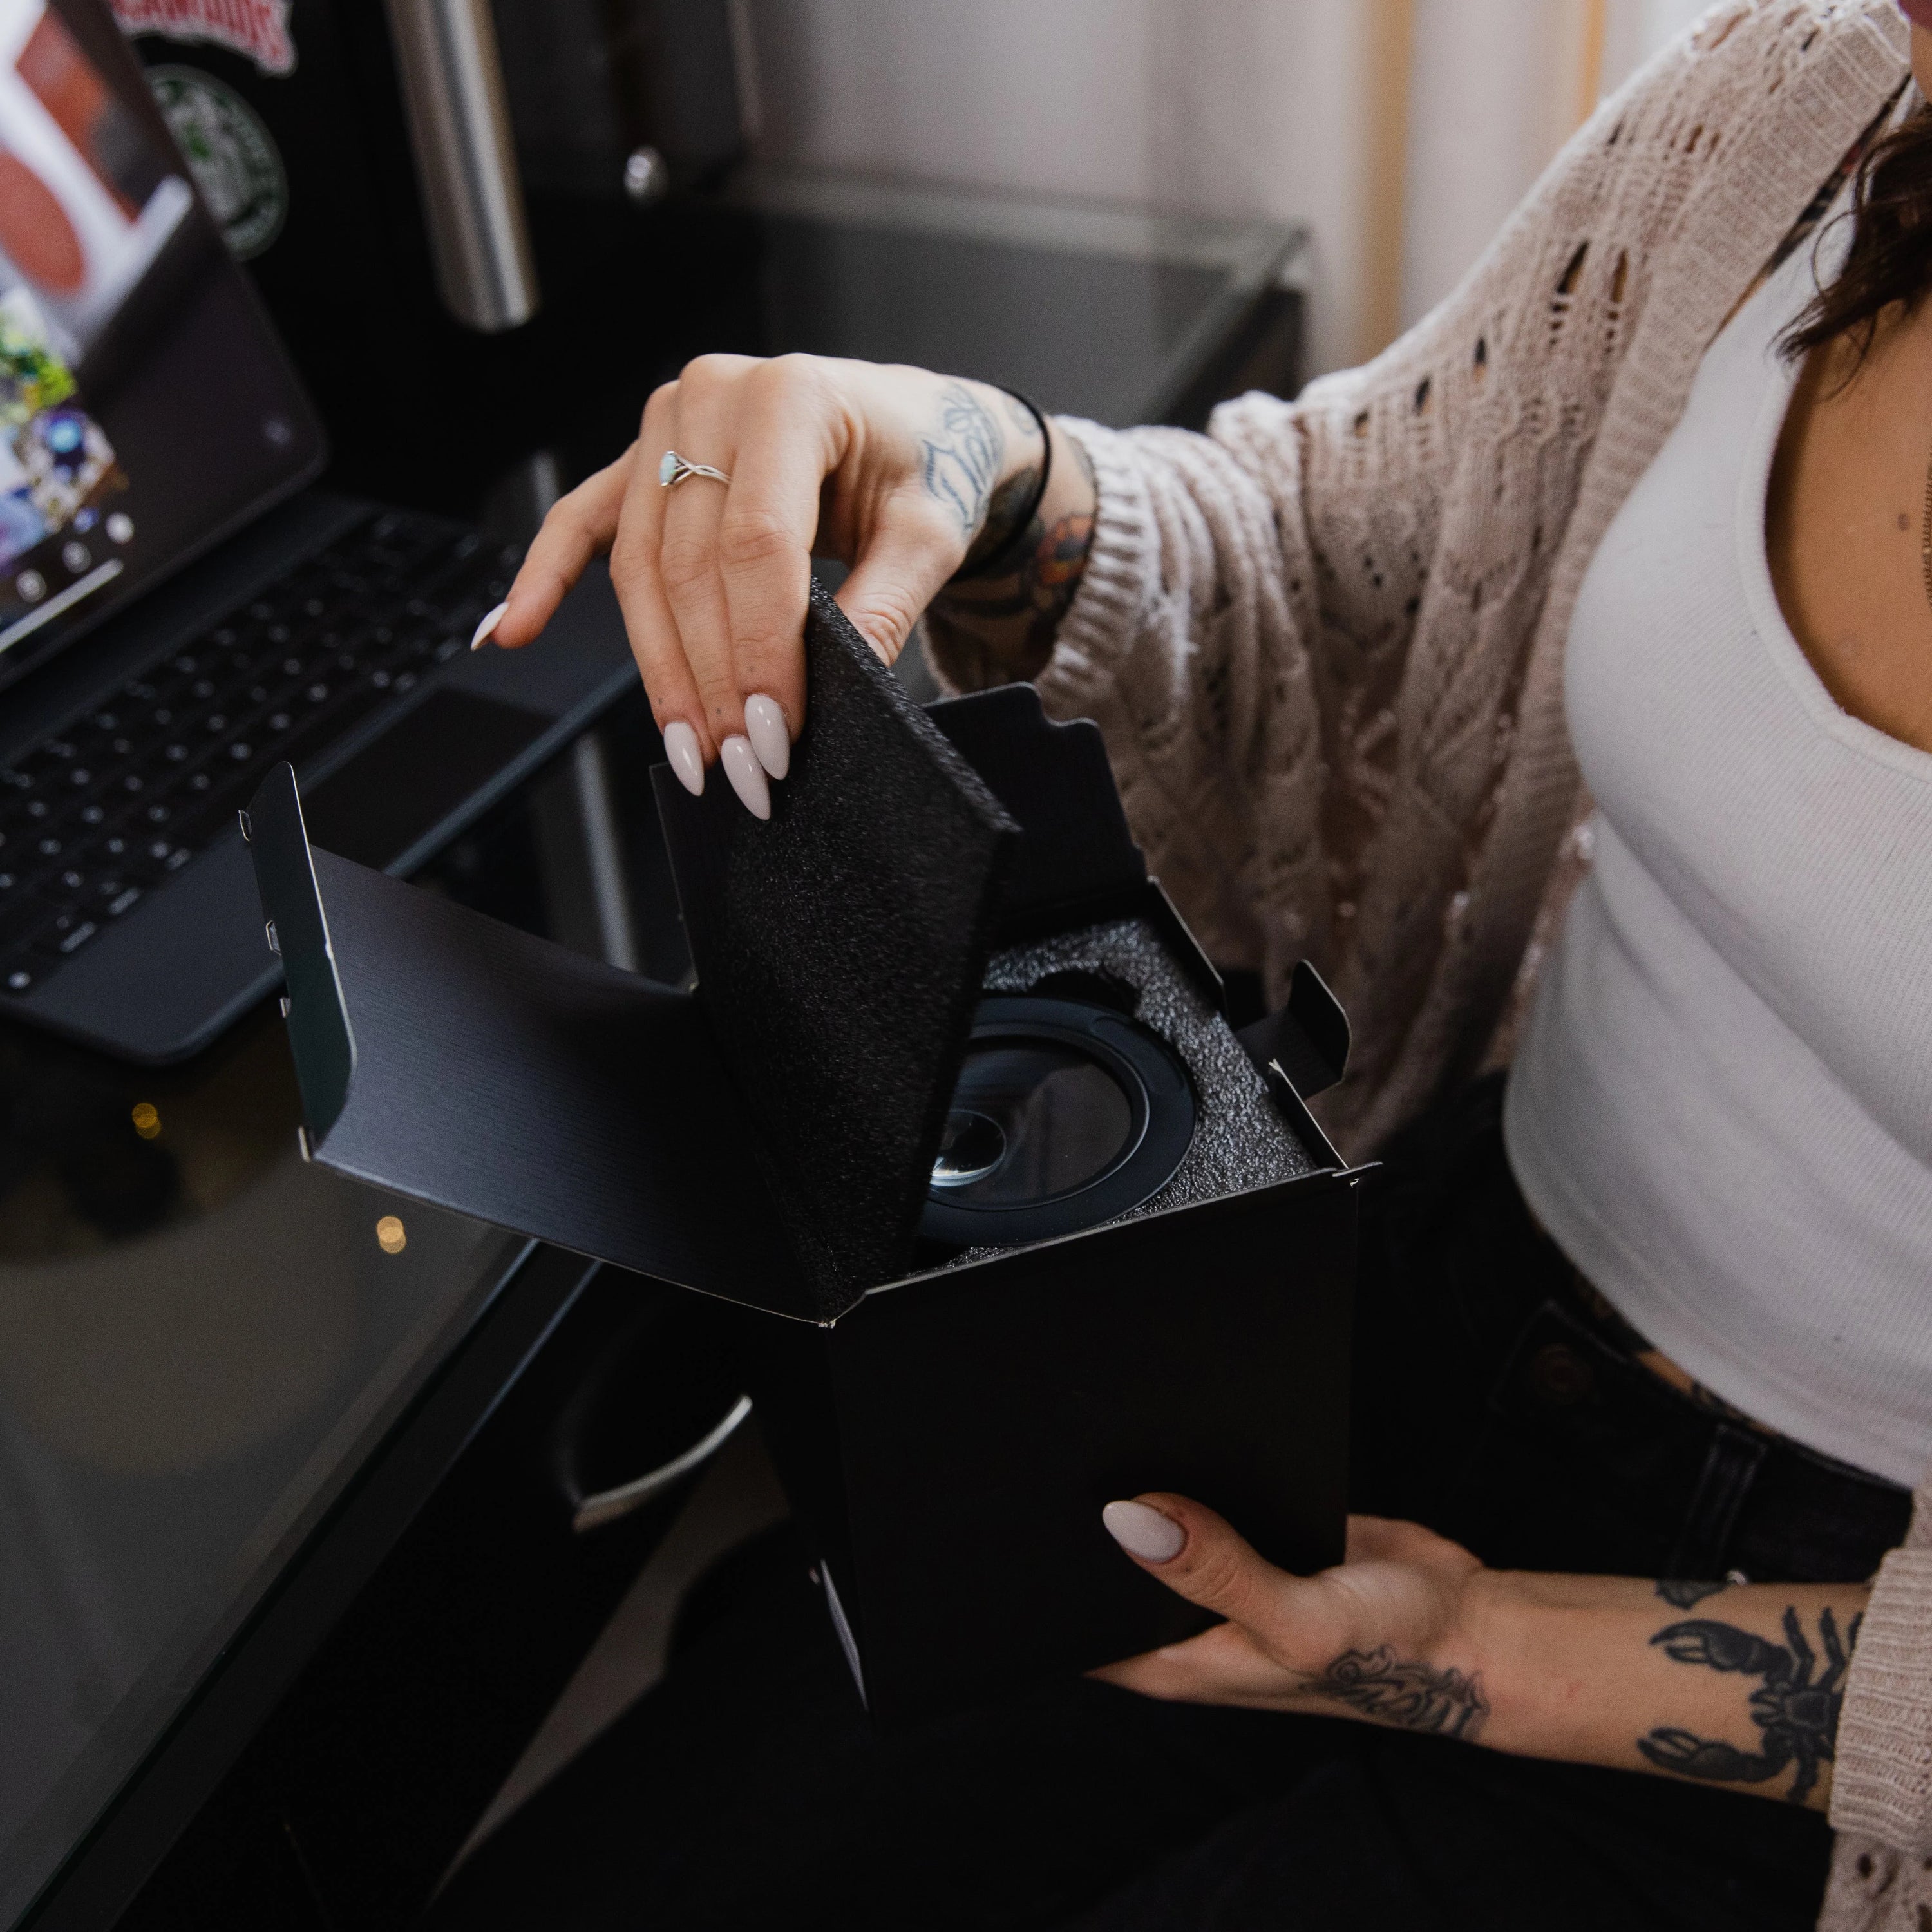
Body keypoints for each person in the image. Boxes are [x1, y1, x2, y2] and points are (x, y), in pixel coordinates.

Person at [438, 3, 1932, 1927]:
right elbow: (1357, 549)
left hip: (1825, 1697)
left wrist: (1483, 1648)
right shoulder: (1818, 92)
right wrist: (965, 458)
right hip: (1417, 1305)